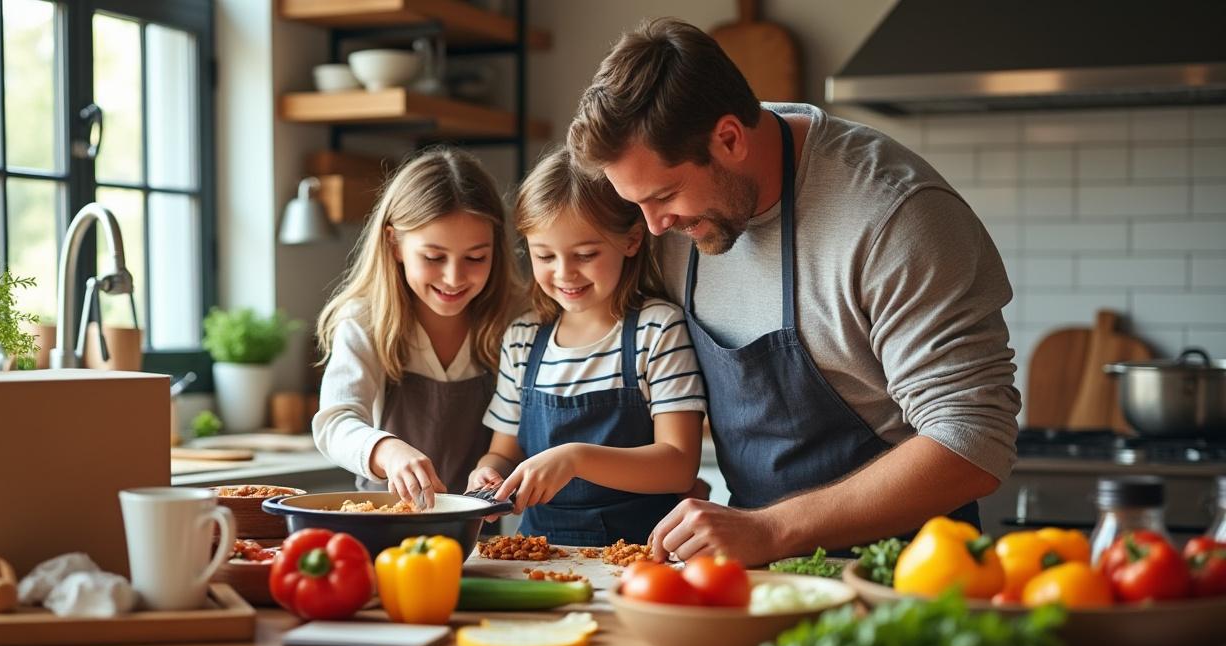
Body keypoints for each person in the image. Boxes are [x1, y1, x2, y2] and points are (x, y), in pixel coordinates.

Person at [566, 18, 1020, 564]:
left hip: (907, 572)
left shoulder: (893, 215)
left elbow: (973, 439)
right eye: (636, 202)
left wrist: (774, 529)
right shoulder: (672, 222)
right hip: (753, 569)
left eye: (664, 195)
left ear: (729, 138)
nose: (653, 227)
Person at [467, 147, 707, 546]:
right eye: (545, 255)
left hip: (643, 553)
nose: (565, 273)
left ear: (631, 239)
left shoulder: (657, 330)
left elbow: (679, 465)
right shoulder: (523, 340)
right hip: (541, 555)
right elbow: (503, 452)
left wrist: (575, 459)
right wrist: (487, 473)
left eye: (585, 254)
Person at [312, 147, 518, 509]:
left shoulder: (515, 319)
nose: (454, 277)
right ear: (394, 244)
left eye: (475, 258)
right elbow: (335, 422)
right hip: (383, 527)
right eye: (434, 257)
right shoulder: (366, 321)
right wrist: (387, 451)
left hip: (477, 536)